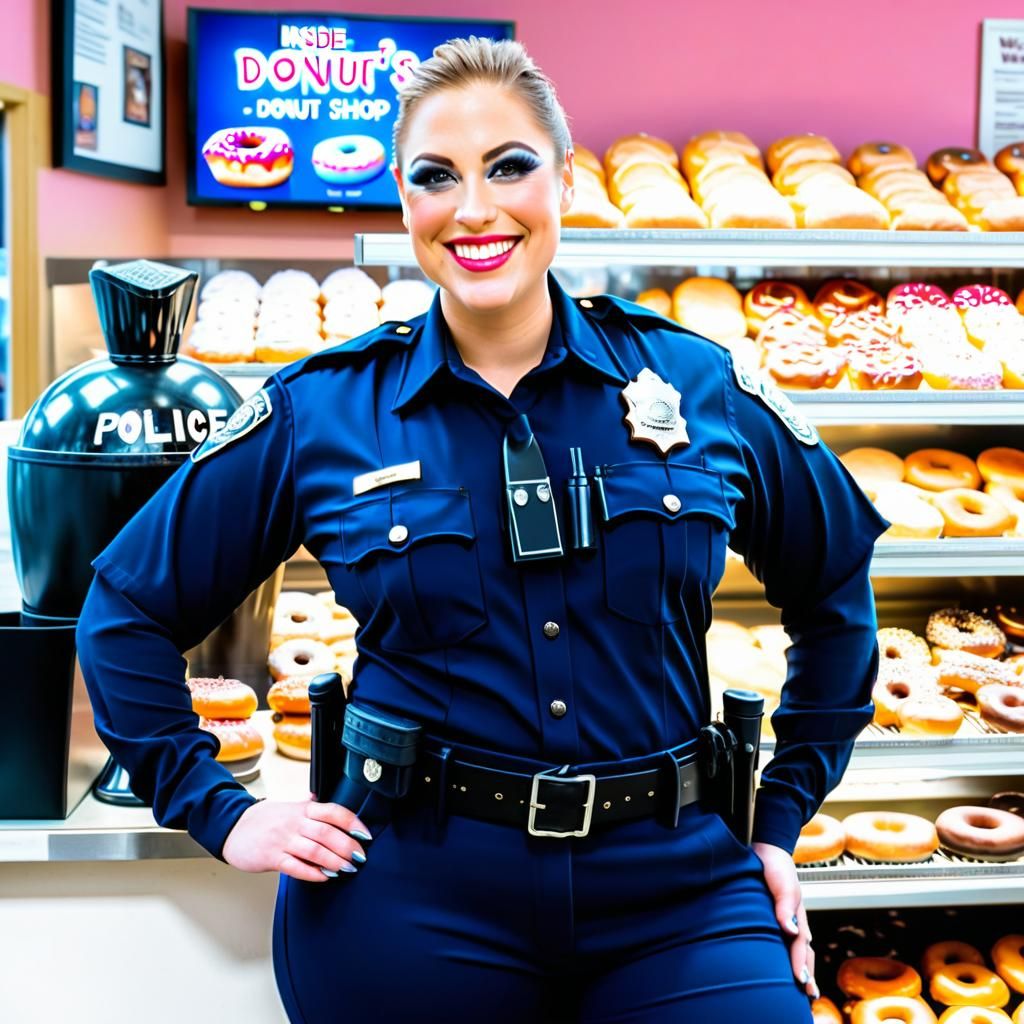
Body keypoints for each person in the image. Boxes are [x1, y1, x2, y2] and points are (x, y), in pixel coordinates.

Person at [76, 36, 887, 1024]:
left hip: (676, 893)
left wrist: (778, 817)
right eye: (435, 176)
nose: (474, 208)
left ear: (565, 180)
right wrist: (222, 810)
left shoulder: (696, 382)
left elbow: (834, 587)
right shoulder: (322, 409)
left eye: (509, 165)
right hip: (413, 889)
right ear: (403, 201)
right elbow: (123, 604)